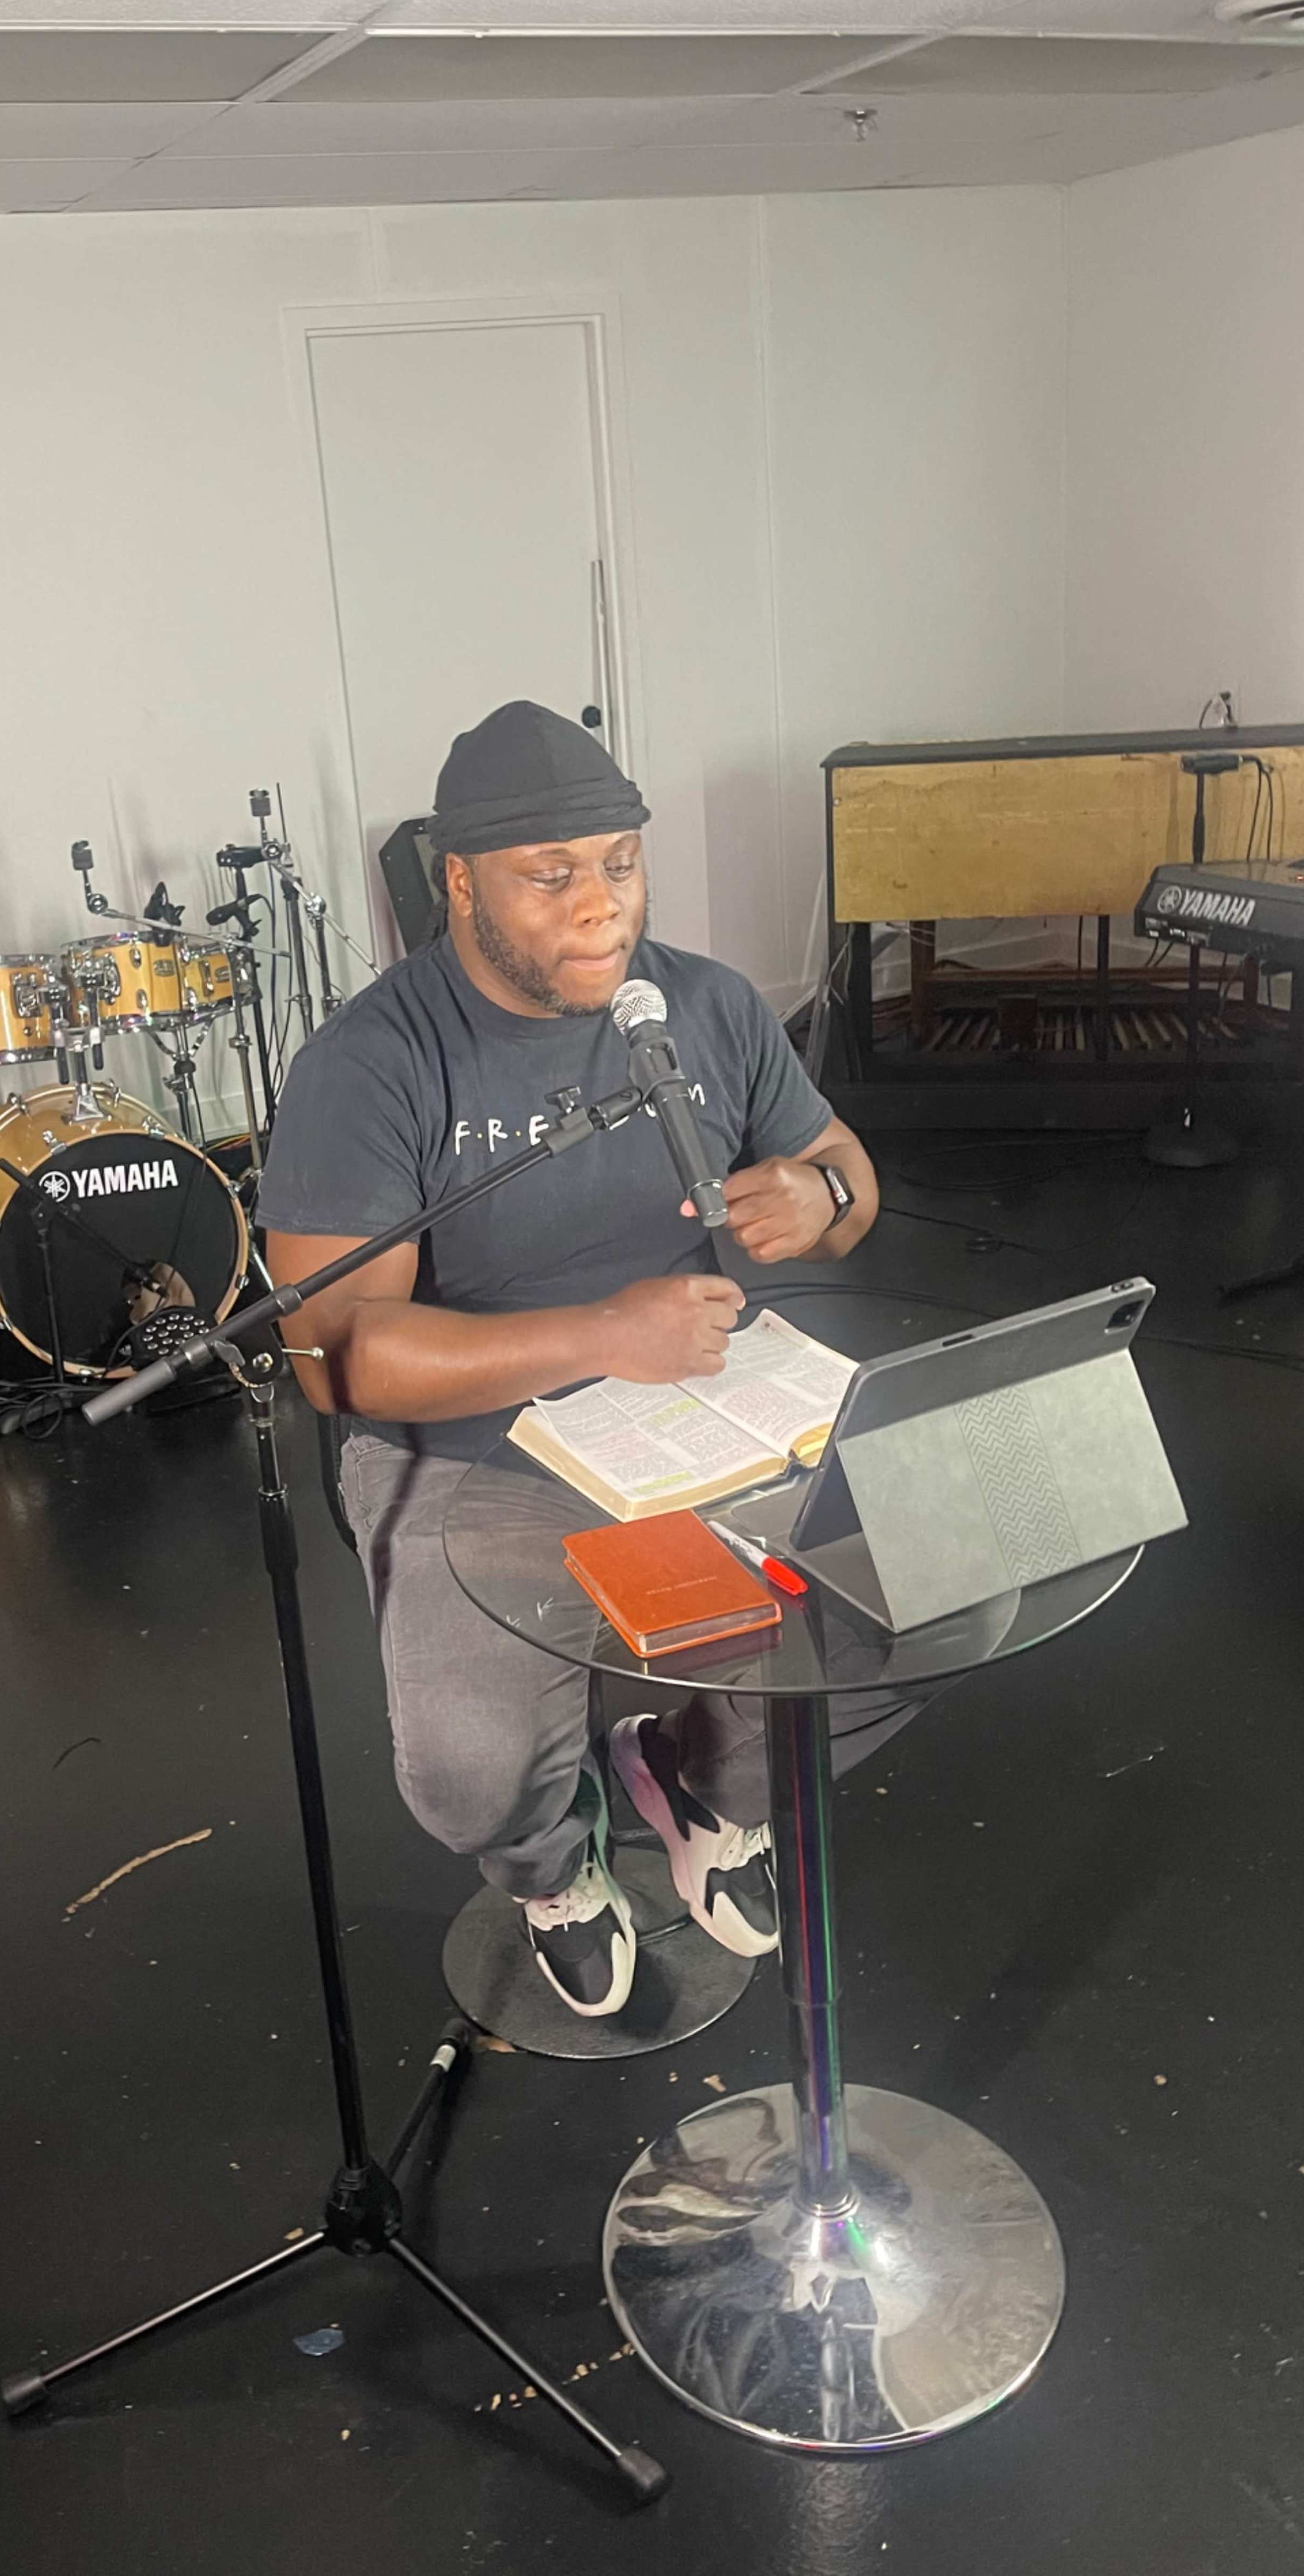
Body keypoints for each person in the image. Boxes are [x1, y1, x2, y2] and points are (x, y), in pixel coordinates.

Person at [258, 701, 904, 2018]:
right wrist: (605, 1335)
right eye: (550, 878)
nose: (599, 906)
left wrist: (822, 1202)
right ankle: (553, 1867)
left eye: (619, 863)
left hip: (708, 1416)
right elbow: (338, 1361)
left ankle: (699, 1787)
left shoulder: (704, 1004)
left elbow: (849, 1170)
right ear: (459, 882)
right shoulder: (371, 1064)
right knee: (465, 1772)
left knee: (909, 1628)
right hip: (475, 1451)